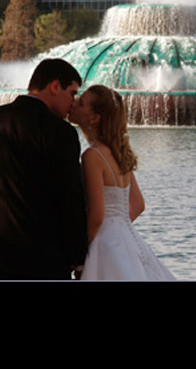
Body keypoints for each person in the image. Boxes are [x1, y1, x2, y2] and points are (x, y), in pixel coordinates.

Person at [0, 58, 87, 280]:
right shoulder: (61, 133)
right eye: (72, 93)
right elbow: (70, 201)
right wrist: (78, 260)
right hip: (44, 263)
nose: (73, 101)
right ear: (55, 86)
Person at [68, 85, 175, 280]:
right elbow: (138, 204)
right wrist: (118, 228)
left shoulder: (92, 155)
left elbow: (97, 215)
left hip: (103, 244)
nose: (73, 103)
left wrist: (79, 254)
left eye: (81, 103)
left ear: (94, 118)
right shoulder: (118, 152)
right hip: (126, 239)